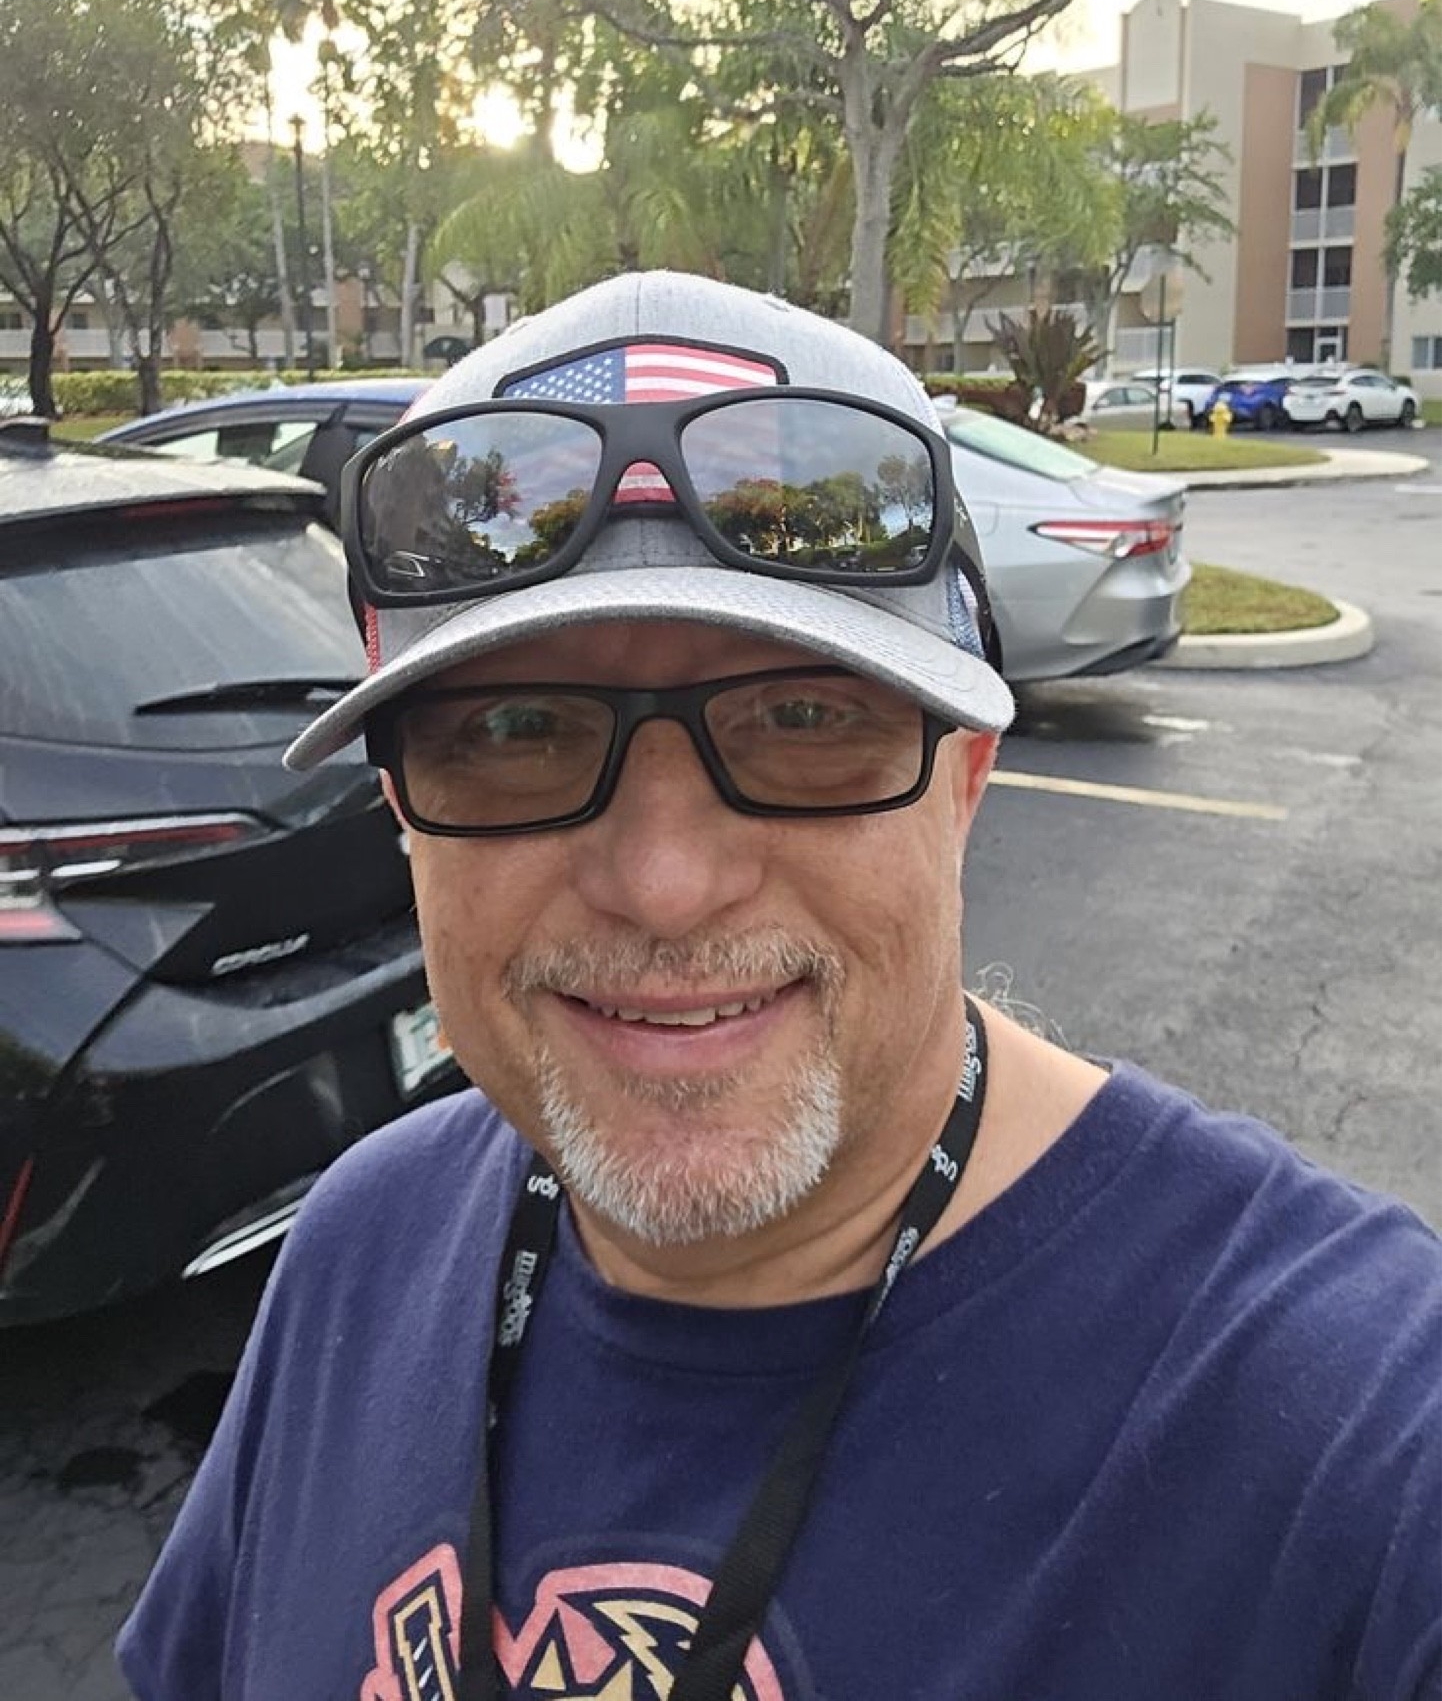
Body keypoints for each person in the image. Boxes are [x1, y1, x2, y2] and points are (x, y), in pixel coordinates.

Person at [118, 272, 1441, 1701]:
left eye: (802, 718)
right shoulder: (359, 1251)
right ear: (404, 819)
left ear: (964, 783)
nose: (664, 883)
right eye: (516, 730)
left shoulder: (1356, 1441)